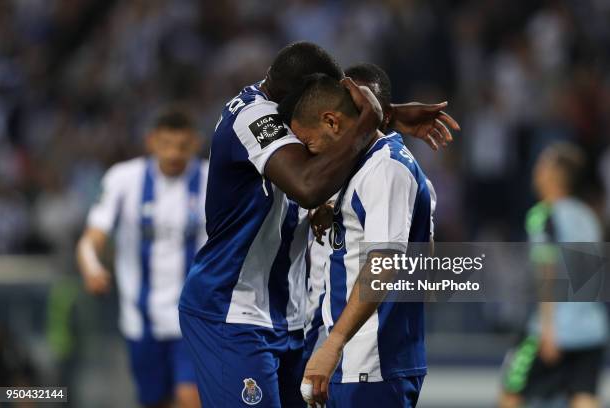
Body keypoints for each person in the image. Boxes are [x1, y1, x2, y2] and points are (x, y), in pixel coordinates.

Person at [178, 41, 457, 408]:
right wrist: (370, 121)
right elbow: (308, 185)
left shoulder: (297, 121)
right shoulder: (252, 116)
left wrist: (386, 114)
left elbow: (329, 124)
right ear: (303, 89)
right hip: (233, 310)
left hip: (288, 315)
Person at [279, 73, 436, 407]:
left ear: (333, 122)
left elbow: (385, 264)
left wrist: (334, 343)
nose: (311, 155)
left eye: (309, 144)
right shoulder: (359, 168)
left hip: (369, 361)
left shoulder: (387, 169)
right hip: (345, 358)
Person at [77, 107, 205, 408]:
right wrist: (92, 269)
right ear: (151, 142)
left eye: (182, 146)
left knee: (190, 398)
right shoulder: (124, 178)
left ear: (195, 144)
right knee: (155, 401)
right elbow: (91, 238)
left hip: (194, 317)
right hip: (141, 319)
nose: (174, 153)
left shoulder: (212, 179)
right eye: (166, 145)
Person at [499, 143, 608, 408]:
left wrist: (549, 329)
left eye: (542, 165)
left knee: (510, 392)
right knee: (583, 396)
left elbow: (546, 271)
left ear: (554, 175)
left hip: (553, 328)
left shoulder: (543, 215)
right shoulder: (588, 217)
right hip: (592, 328)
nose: (536, 171)